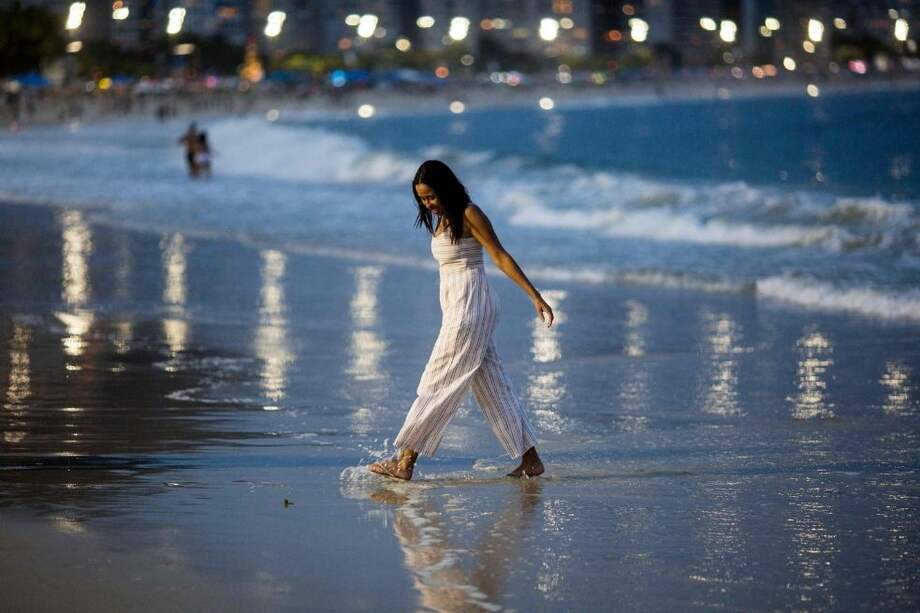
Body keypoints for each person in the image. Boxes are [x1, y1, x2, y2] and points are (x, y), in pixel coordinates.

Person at [368, 160, 554, 481]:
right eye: (423, 200)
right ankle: (530, 459)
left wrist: (534, 295)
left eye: (432, 197)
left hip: (470, 308)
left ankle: (405, 461)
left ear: (447, 187)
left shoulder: (469, 213)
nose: (429, 204)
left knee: (437, 381)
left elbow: (500, 255)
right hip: (461, 307)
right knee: (492, 386)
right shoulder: (443, 220)